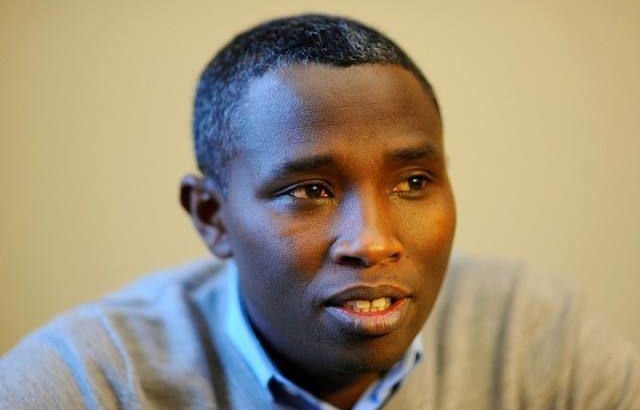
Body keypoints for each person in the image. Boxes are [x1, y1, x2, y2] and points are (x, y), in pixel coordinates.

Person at [1, 14, 638, 410]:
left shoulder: (540, 343)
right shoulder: (89, 382)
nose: (374, 242)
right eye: (309, 191)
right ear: (212, 217)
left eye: (414, 181)